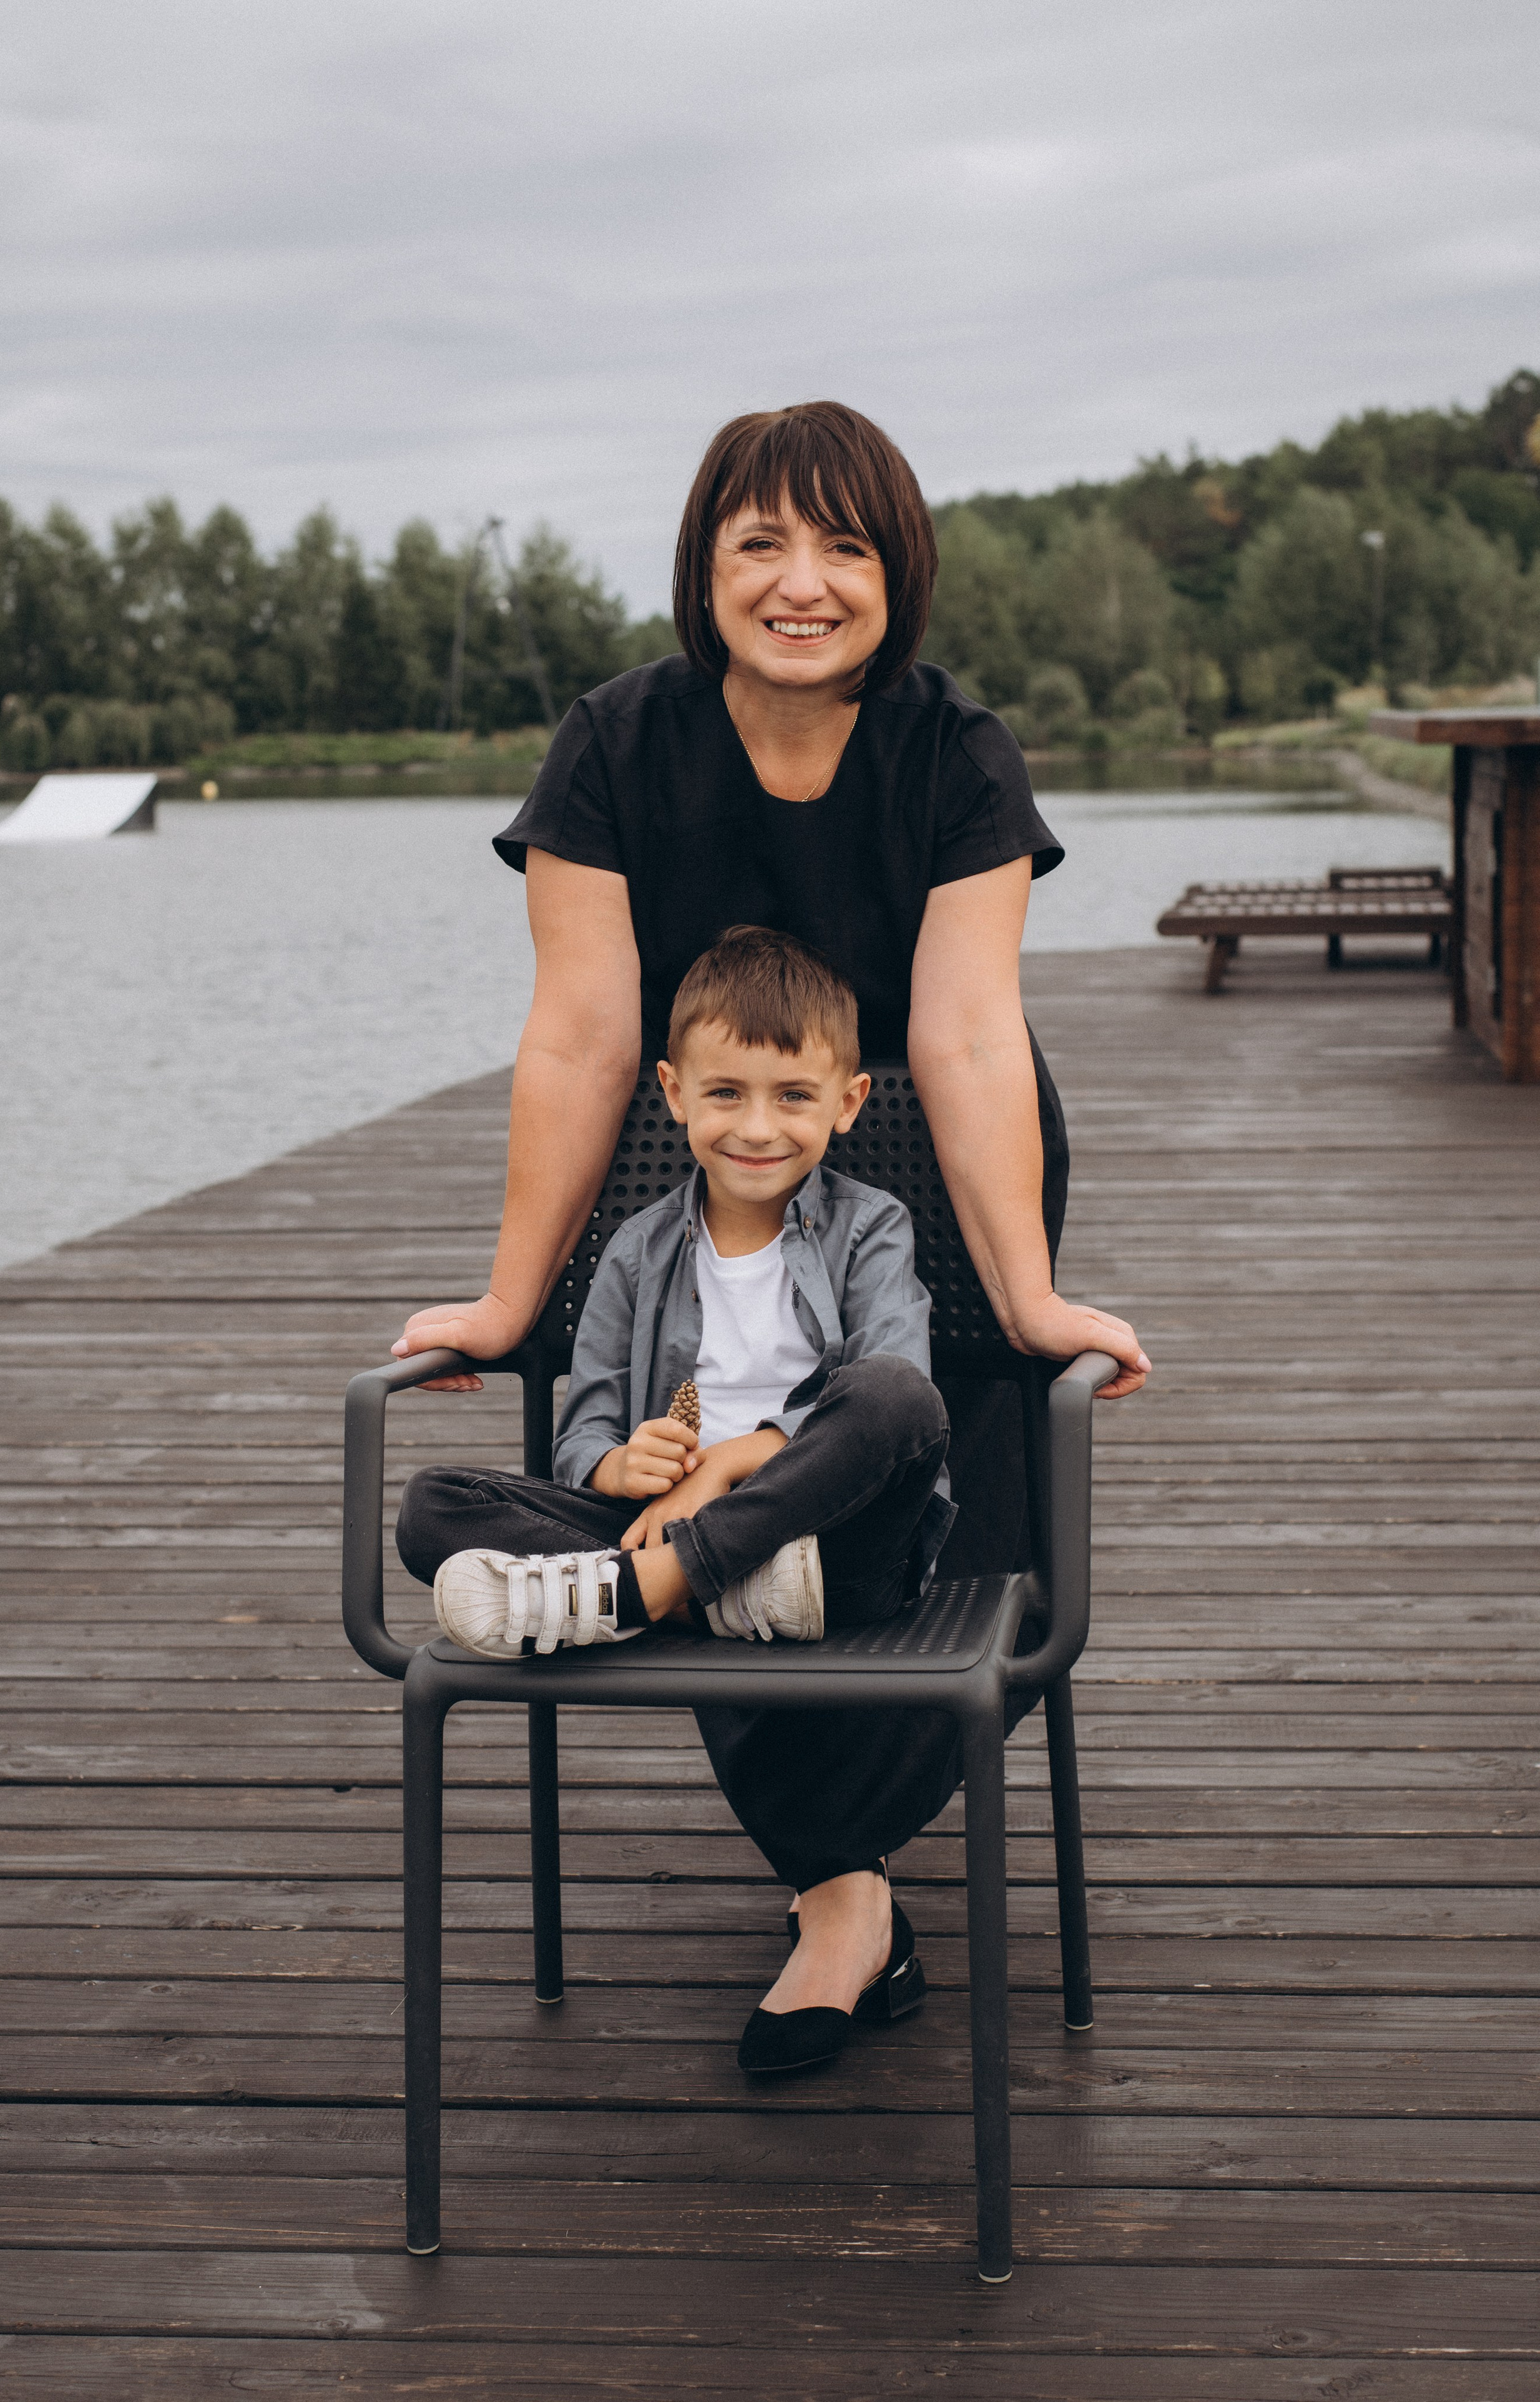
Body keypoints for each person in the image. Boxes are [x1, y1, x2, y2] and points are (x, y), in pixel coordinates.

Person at [392, 399, 1149, 2065]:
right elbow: (586, 1038)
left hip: (937, 1210)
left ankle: (804, 1828)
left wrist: (1024, 1294)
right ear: (704, 565)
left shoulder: (958, 753)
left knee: (957, 1545)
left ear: (898, 573)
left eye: (843, 546)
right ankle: (841, 1892)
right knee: (681, 1457)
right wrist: (518, 1294)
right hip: (693, 1199)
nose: (801, 582)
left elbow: (959, 1035)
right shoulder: (615, 744)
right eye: (761, 544)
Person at [396, 929, 956, 2067]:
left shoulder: (871, 1229)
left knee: (892, 1398)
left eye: (794, 1095)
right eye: (726, 1094)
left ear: (847, 1102)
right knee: (431, 1506)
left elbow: (899, 1400)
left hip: (838, 1550)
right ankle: (684, 1588)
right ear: (673, 1094)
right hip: (685, 1543)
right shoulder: (638, 1250)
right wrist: (625, 1466)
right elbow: (582, 1437)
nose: (758, 1126)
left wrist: (731, 1463)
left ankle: (655, 1589)